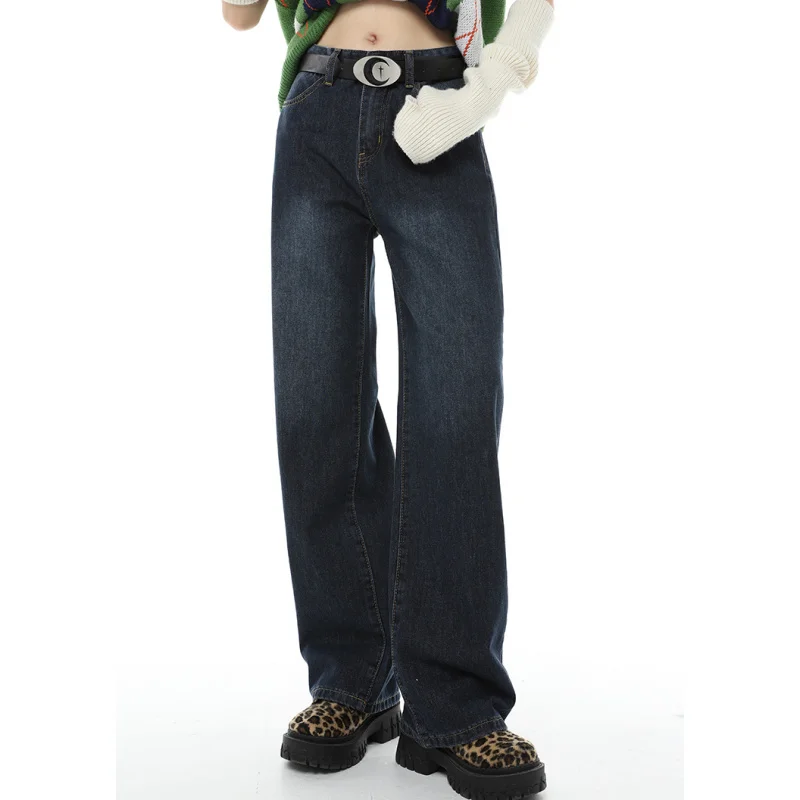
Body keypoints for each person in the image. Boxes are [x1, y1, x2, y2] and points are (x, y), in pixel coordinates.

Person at [222, 0, 554, 796]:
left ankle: (458, 709)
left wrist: (478, 98)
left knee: (454, 408)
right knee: (316, 408)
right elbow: (239, 15)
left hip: (437, 103)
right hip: (317, 110)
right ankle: (353, 683)